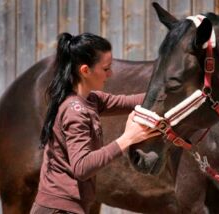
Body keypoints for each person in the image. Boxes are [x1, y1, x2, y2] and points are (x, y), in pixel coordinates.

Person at [30, 32, 160, 214]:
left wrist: (171, 95)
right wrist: (127, 139)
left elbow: (130, 101)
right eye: (106, 69)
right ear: (85, 71)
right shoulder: (75, 112)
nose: (111, 73)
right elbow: (82, 167)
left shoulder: (90, 100)